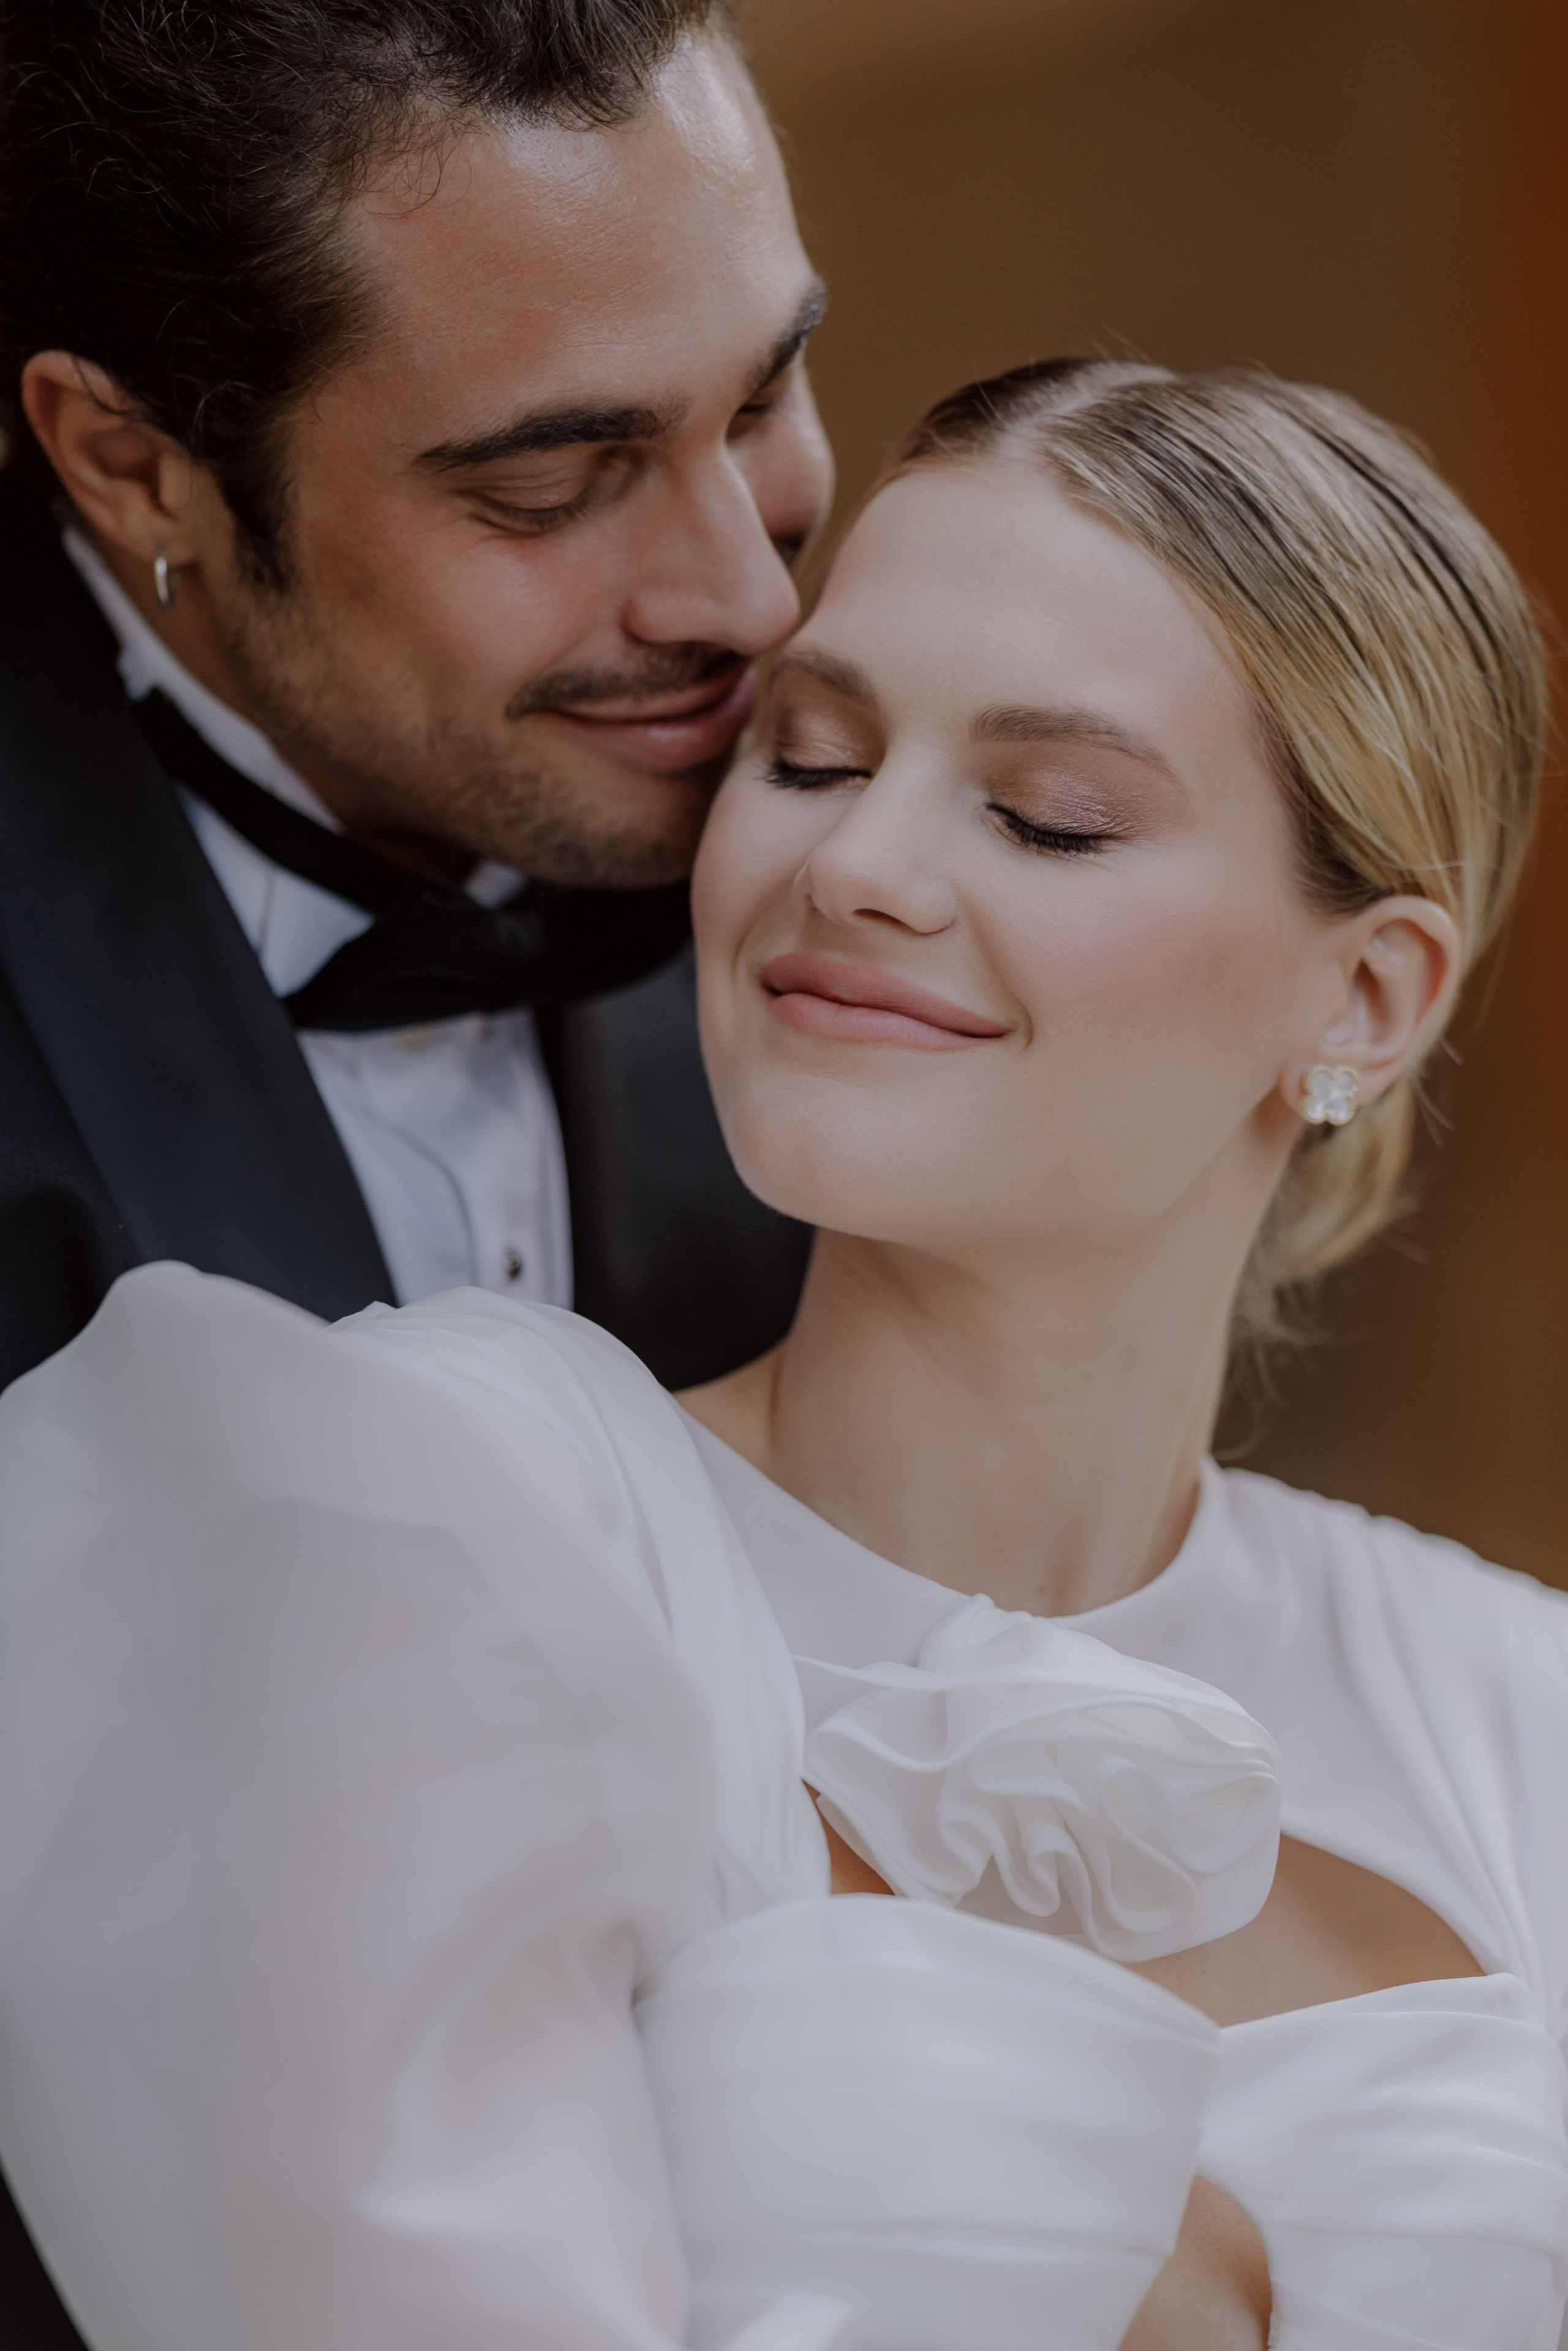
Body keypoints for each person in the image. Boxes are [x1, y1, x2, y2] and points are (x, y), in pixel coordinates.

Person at [1, 359, 1566, 2351]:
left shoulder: (1525, 1714)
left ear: (1366, 992)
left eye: (1045, 812)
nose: (858, 869)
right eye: (814, 757)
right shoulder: (423, 1511)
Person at [0, 0, 831, 1399]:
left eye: (760, 401)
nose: (755, 606)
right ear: (135, 467)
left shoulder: (873, 873)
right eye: (546, 490)